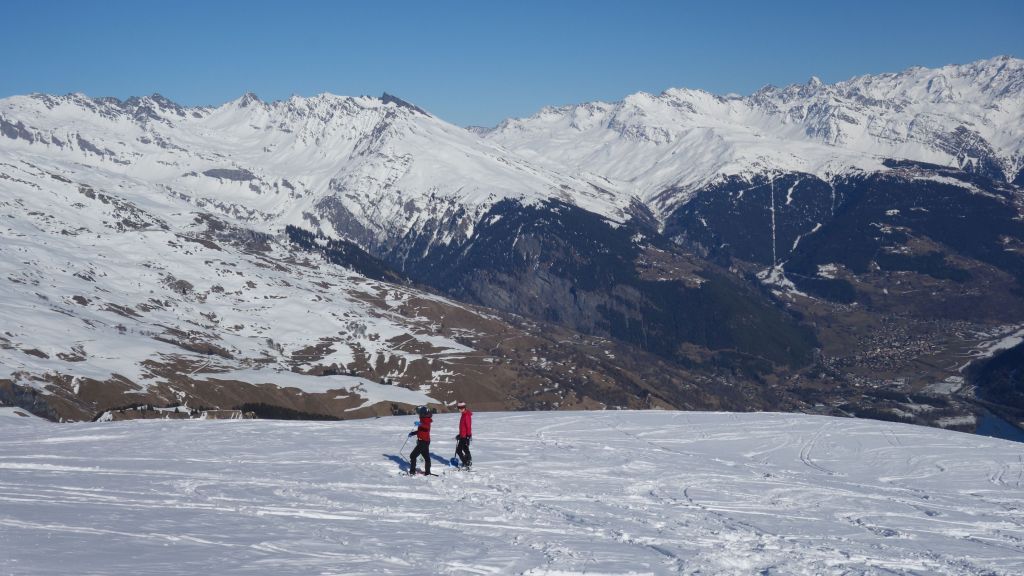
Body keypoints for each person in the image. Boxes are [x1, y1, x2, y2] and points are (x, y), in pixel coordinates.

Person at [408, 406, 432, 475]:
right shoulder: (423, 420)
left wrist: (420, 424)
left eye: (420, 413)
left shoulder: (427, 420)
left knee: (412, 456)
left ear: (423, 414)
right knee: (426, 457)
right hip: (424, 441)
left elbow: (426, 427)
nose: (419, 415)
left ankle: (412, 472)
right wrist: (413, 433)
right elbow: (421, 430)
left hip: (423, 442)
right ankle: (427, 472)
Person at [455, 401, 472, 469]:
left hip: (465, 436)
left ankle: (466, 463)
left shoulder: (466, 415)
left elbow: (468, 427)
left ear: (464, 407)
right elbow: (463, 427)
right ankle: (468, 461)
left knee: (459, 450)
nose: (460, 409)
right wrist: (460, 434)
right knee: (465, 449)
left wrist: (468, 436)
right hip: (463, 435)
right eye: (459, 408)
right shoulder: (463, 414)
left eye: (462, 408)